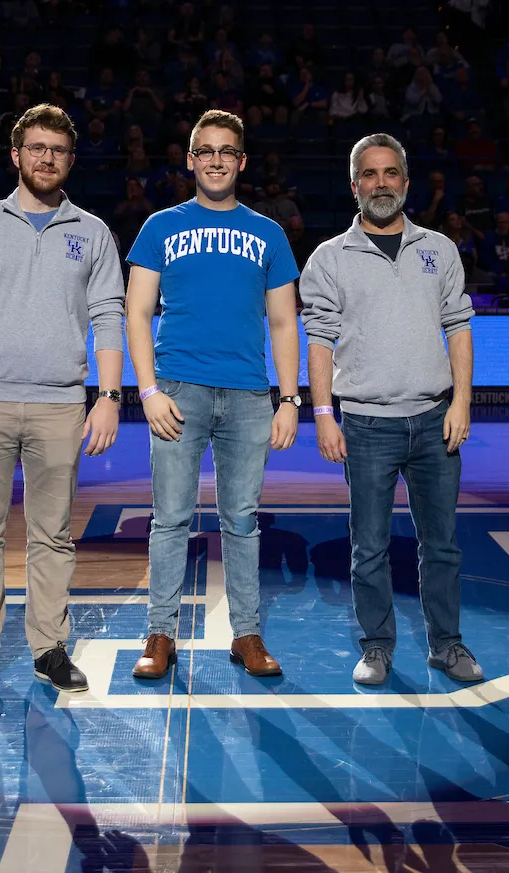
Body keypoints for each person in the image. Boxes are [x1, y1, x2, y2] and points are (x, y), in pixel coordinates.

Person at [0, 104, 127, 695]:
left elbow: (108, 317)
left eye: (59, 150)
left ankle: (49, 649)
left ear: (71, 159)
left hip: (60, 407)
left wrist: (109, 397)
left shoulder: (92, 232)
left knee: (54, 535)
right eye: (37, 148)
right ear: (16, 155)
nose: (47, 159)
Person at [298, 133, 482, 686]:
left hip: (434, 419)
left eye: (391, 173)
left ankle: (447, 645)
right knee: (369, 547)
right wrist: (324, 414)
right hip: (366, 423)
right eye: (370, 175)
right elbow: (320, 341)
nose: (382, 184)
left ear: (406, 180)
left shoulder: (439, 248)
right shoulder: (330, 257)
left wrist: (462, 402)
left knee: (442, 546)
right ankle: (376, 646)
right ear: (355, 186)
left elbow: (459, 327)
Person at [125, 109, 301, 681]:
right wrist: (146, 389)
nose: (217, 160)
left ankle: (246, 635)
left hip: (249, 396)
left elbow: (282, 322)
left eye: (227, 151)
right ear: (191, 160)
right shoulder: (160, 227)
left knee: (241, 521)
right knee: (171, 518)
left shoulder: (268, 233)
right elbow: (137, 311)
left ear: (241, 161)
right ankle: (160, 634)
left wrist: (289, 398)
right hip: (178, 391)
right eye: (206, 151)